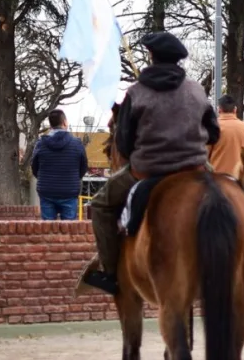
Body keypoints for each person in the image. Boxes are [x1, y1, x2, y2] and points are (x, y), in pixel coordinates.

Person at [79, 31, 220, 295]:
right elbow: (214, 133)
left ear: (151, 55)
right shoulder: (196, 90)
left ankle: (110, 273)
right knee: (230, 191)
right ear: (178, 59)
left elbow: (123, 142)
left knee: (100, 206)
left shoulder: (136, 92)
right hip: (194, 168)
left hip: (146, 171)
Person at [31, 109, 88, 220]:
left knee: (48, 228)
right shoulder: (77, 144)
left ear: (50, 125)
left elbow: (34, 167)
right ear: (65, 123)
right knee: (69, 228)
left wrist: (44, 178)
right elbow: (83, 167)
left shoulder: (41, 144)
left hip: (47, 190)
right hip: (69, 190)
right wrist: (74, 178)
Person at [208, 94, 244, 179]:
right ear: (235, 110)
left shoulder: (212, 127)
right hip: (237, 179)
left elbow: (205, 156)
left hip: (217, 179)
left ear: (219, 109)